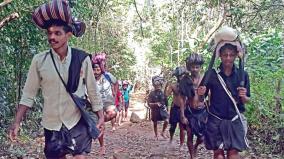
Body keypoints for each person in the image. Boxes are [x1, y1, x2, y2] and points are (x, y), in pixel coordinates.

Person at [9, 1, 104, 158]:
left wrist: (100, 116)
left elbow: (93, 91)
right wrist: (17, 122)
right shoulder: (39, 61)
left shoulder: (82, 59)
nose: (52, 37)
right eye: (49, 33)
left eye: (57, 33)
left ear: (68, 35)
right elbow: (28, 94)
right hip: (52, 125)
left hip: (76, 121)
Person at [197, 26, 250, 159]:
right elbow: (200, 100)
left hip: (234, 120)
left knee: (233, 154)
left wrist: (244, 97)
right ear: (219, 55)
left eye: (231, 55)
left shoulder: (243, 75)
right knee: (218, 155)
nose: (228, 58)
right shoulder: (211, 74)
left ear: (236, 56)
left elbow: (246, 101)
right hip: (216, 120)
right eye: (225, 55)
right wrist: (200, 93)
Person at [182, 53, 208, 157]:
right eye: (193, 67)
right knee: (189, 134)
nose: (195, 69)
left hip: (202, 112)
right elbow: (182, 99)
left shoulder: (205, 79)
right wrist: (182, 115)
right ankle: (192, 155)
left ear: (200, 67)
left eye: (197, 67)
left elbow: (210, 95)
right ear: (189, 67)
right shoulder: (185, 80)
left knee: (201, 137)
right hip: (190, 111)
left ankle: (196, 146)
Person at [92, 56, 118, 155]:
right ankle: (102, 146)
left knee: (113, 113)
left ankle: (101, 122)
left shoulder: (107, 76)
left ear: (101, 69)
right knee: (99, 125)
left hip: (108, 101)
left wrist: (115, 93)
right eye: (94, 69)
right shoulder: (90, 78)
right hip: (96, 103)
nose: (96, 71)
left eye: (98, 69)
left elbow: (115, 83)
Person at [165, 66, 187, 150]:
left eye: (183, 75)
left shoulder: (187, 85)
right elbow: (166, 95)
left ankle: (181, 144)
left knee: (182, 128)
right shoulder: (173, 86)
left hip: (184, 109)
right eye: (180, 76)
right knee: (172, 127)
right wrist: (167, 86)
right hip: (175, 108)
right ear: (177, 77)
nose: (181, 77)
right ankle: (171, 139)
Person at [147, 76, 169, 140]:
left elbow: (166, 103)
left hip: (163, 110)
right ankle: (156, 135)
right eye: (157, 85)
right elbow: (149, 103)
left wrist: (167, 110)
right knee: (155, 123)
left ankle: (163, 132)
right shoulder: (152, 93)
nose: (158, 86)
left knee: (167, 121)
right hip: (155, 110)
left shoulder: (163, 93)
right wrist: (155, 104)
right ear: (154, 85)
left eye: (159, 85)